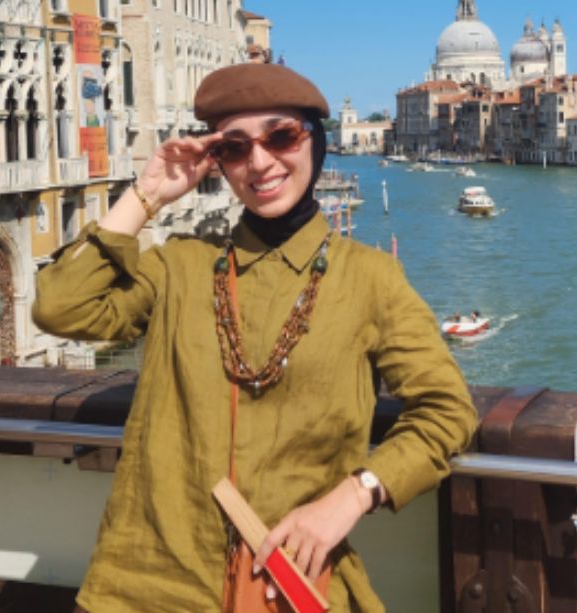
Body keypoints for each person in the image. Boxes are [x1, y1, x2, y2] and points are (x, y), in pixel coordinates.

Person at [32, 61, 477, 612]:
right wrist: (146, 195)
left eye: (281, 136)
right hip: (140, 588)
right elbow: (59, 307)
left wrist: (351, 496)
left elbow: (448, 411)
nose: (260, 162)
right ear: (217, 163)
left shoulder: (370, 279)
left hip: (285, 590)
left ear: (315, 141)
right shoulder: (180, 267)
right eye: (235, 148)